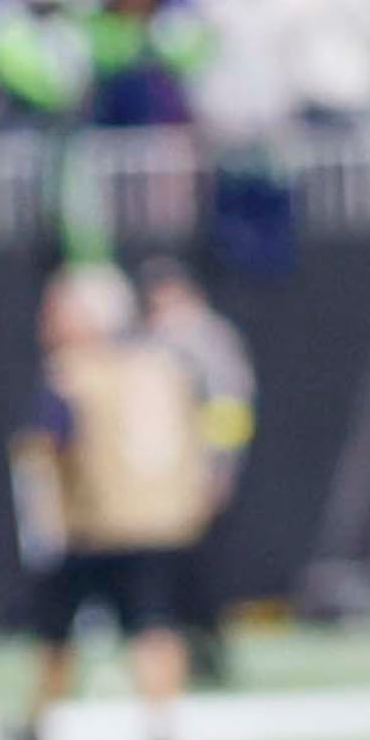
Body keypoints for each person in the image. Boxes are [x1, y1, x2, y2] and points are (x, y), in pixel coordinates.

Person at [13, 262, 214, 740]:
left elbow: (45, 447)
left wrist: (44, 518)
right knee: (155, 620)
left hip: (95, 523)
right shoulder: (163, 365)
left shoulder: (71, 374)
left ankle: (39, 721)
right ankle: (162, 722)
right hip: (164, 519)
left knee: (58, 626)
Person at [140, 256, 256, 686]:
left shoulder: (208, 338)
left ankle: (210, 653)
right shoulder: (154, 338)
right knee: (171, 571)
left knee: (204, 570)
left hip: (199, 472)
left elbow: (230, 406)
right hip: (163, 475)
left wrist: (220, 468)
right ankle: (184, 651)